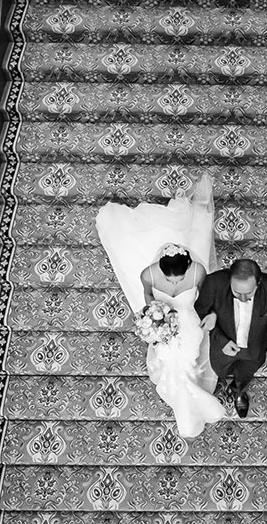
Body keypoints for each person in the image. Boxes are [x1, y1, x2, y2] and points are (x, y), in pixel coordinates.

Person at [95, 175, 226, 439]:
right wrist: (155, 315)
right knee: (170, 361)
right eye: (170, 278)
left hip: (189, 321)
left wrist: (208, 314)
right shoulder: (148, 274)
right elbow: (146, 294)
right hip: (166, 321)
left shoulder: (198, 270)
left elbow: (205, 295)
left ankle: (189, 398)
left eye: (179, 277)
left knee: (188, 359)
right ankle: (189, 402)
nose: (175, 281)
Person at [195, 258, 267, 418]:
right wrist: (220, 337)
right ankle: (224, 381)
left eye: (249, 293)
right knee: (220, 369)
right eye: (237, 292)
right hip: (222, 344)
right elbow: (199, 310)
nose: (243, 299)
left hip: (255, 346)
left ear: (258, 282)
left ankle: (239, 391)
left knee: (246, 373)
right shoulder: (214, 283)